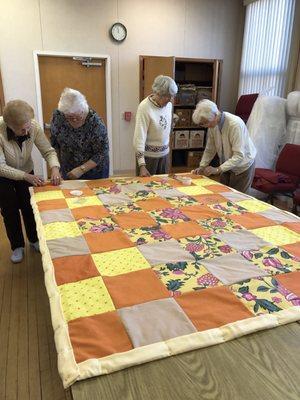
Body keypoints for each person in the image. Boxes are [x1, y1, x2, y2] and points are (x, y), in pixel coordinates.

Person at [0, 100, 61, 263]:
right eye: (22, 129)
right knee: (9, 210)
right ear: (10, 126)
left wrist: (54, 167)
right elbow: (1, 167)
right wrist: (26, 176)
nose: (27, 131)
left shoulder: (32, 126)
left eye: (28, 126)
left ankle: (34, 240)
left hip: (27, 171)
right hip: (3, 175)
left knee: (30, 206)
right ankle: (17, 246)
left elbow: (48, 151)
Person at [192, 99, 256, 193]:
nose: (205, 126)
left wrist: (218, 169)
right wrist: (202, 166)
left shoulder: (234, 124)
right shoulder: (212, 125)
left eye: (205, 122)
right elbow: (210, 148)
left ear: (214, 115)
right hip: (226, 164)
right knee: (223, 195)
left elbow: (239, 156)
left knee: (238, 200)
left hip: (242, 166)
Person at [50, 88, 109, 180]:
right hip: (68, 169)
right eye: (69, 117)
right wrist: (57, 168)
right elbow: (55, 144)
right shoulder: (58, 117)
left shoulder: (96, 123)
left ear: (83, 109)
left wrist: (81, 169)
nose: (74, 120)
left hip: (94, 171)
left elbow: (102, 152)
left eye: (77, 116)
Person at [133, 75, 178, 176]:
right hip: (148, 159)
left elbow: (162, 127)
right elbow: (139, 138)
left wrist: (172, 122)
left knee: (164, 188)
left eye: (172, 96)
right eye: (168, 96)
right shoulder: (144, 107)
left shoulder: (169, 105)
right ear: (158, 93)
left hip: (164, 156)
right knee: (146, 189)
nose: (170, 100)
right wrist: (142, 165)